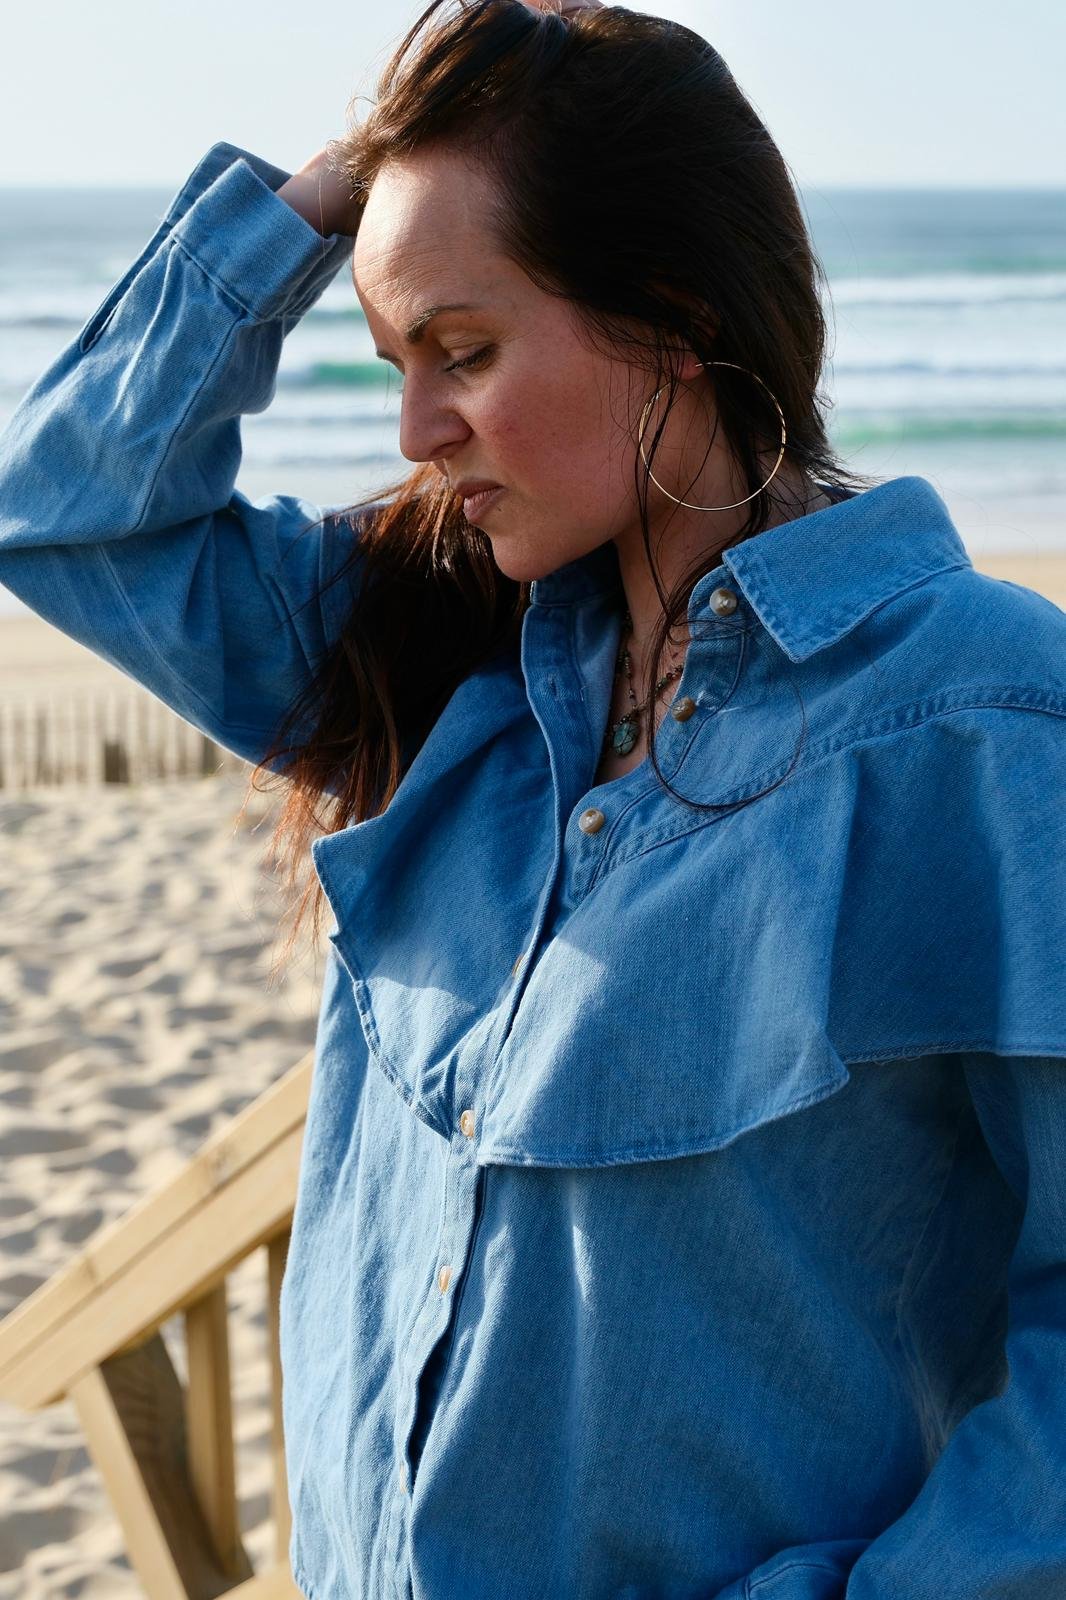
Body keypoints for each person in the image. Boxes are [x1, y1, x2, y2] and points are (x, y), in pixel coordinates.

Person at [1, 1, 1064, 1596]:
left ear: (672, 319)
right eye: (393, 361)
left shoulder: (981, 723)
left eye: (465, 351)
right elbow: (70, 513)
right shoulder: (433, 662)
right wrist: (349, 181)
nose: (414, 431)